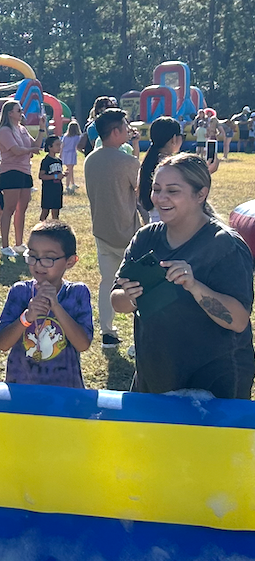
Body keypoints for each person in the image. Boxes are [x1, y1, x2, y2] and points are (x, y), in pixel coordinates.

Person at [112, 153, 254, 399]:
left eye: (173, 191)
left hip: (214, 383)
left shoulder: (225, 245)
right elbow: (117, 300)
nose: (161, 198)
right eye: (156, 189)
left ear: (201, 194)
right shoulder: (145, 238)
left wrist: (195, 286)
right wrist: (132, 296)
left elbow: (239, 320)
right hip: (156, 375)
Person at [0, 221, 93, 388]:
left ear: (70, 261)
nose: (38, 264)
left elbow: (83, 344)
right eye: (33, 256)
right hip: (21, 388)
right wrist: (27, 317)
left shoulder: (77, 293)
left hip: (65, 391)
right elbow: (3, 344)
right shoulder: (20, 292)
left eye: (48, 258)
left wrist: (56, 307)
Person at [84, 108, 139, 347]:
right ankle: (141, 335)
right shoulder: (127, 161)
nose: (128, 131)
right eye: (125, 127)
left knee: (107, 282)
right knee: (139, 285)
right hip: (129, 231)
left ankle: (107, 331)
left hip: (102, 230)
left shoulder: (90, 160)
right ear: (115, 132)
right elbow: (140, 192)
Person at [0, 98, 43, 257]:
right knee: (8, 209)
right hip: (10, 172)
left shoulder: (22, 129)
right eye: (18, 110)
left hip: (25, 171)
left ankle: (19, 244)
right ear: (10, 113)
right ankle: (5, 246)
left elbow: (35, 145)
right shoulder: (4, 130)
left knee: (22, 209)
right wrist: (31, 149)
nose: (21, 112)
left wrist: (42, 129)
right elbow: (16, 150)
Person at [38, 136, 64, 220]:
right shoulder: (46, 161)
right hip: (48, 190)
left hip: (57, 189)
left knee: (56, 212)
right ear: (50, 147)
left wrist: (63, 175)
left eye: (60, 144)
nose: (59, 147)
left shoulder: (59, 160)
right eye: (57, 145)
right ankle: (40, 228)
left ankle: (55, 229)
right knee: (45, 211)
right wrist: (55, 176)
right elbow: (41, 176)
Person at [61, 120, 82, 193]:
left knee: (70, 169)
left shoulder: (65, 136)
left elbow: (62, 146)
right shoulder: (77, 137)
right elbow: (78, 146)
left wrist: (60, 154)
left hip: (65, 153)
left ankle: (72, 184)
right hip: (71, 154)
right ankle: (67, 186)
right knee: (69, 170)